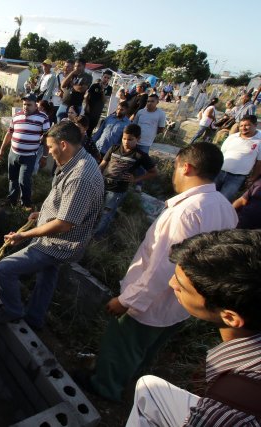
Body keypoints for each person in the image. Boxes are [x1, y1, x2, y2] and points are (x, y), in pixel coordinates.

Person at [83, 143, 238, 402]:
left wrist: (127, 301)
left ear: (186, 167)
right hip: (181, 307)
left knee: (122, 346)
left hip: (151, 304)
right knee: (147, 349)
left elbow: (163, 267)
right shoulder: (224, 207)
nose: (174, 174)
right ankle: (133, 382)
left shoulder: (186, 213)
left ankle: (105, 388)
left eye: (176, 167)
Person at [126, 229, 261, 426]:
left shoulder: (228, 408)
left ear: (230, 317)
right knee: (150, 389)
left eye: (182, 286)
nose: (172, 283)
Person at [0, 121, 104, 329]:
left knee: (5, 268)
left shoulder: (80, 177)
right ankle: (34, 319)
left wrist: (23, 236)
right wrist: (42, 213)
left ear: (63, 145)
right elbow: (67, 205)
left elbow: (63, 224)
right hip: (61, 238)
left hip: (60, 243)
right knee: (47, 276)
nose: (48, 152)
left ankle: (13, 310)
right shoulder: (79, 162)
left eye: (50, 147)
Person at [94, 124, 158, 236]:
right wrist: (95, 177)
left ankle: (97, 237)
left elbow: (154, 172)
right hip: (102, 184)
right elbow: (102, 165)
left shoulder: (140, 155)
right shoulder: (114, 148)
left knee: (106, 214)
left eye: (130, 139)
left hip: (117, 190)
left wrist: (136, 179)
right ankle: (88, 231)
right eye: (124, 138)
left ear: (138, 139)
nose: (126, 142)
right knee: (94, 209)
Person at [0, 93, 51, 210]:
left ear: (36, 105)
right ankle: (12, 200)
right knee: (12, 179)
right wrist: (2, 149)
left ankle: (26, 204)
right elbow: (9, 133)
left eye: (29, 105)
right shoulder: (16, 116)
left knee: (24, 180)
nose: (26, 107)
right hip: (13, 154)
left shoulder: (43, 118)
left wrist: (45, 156)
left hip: (29, 156)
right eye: (24, 104)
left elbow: (47, 138)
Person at [214, 114, 261, 201]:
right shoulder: (232, 137)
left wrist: (253, 178)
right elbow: (222, 152)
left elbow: (259, 162)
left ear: (255, 125)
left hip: (236, 178)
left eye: (247, 125)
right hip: (219, 172)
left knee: (223, 200)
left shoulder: (259, 141)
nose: (243, 128)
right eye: (241, 125)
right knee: (208, 195)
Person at [84, 70, 112, 138]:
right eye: (105, 77)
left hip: (97, 111)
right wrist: (87, 105)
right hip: (89, 109)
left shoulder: (109, 88)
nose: (106, 79)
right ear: (102, 76)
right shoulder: (94, 85)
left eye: (108, 78)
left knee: (91, 129)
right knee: (84, 126)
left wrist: (102, 90)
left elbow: (105, 100)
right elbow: (87, 96)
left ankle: (87, 143)